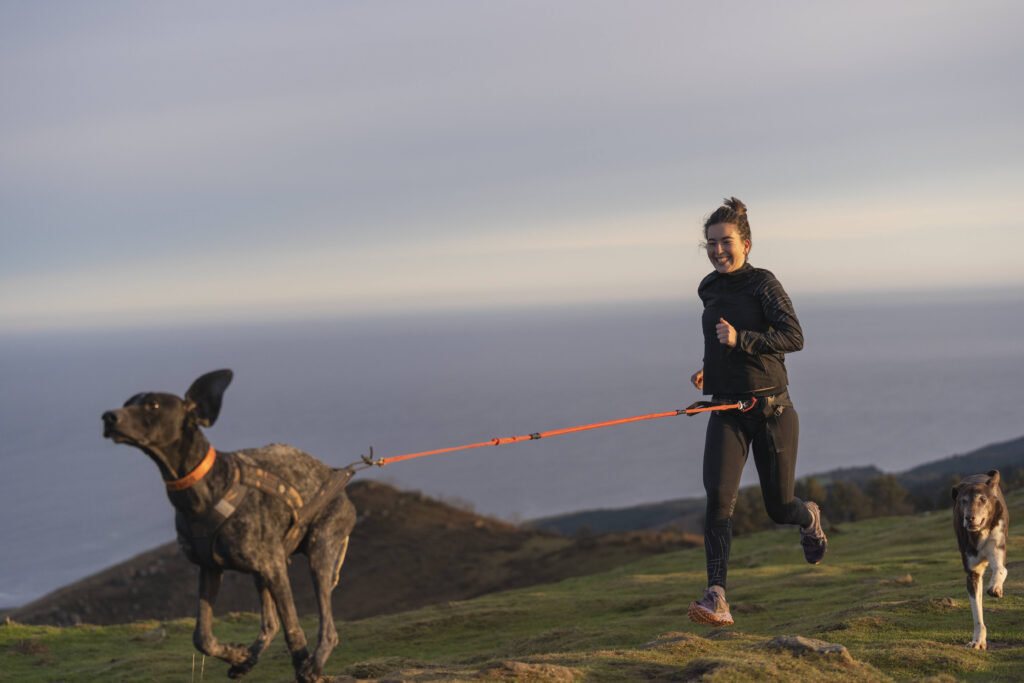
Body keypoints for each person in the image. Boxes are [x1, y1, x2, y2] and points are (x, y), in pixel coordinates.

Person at [687, 197, 827, 627]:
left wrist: (741, 339)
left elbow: (793, 336)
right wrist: (709, 376)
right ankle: (717, 597)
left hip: (772, 411)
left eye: (725, 241)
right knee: (718, 501)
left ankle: (810, 518)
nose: (717, 250)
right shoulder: (707, 287)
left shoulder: (763, 283)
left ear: (745, 243)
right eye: (710, 243)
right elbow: (718, 343)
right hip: (727, 409)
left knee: (779, 507)